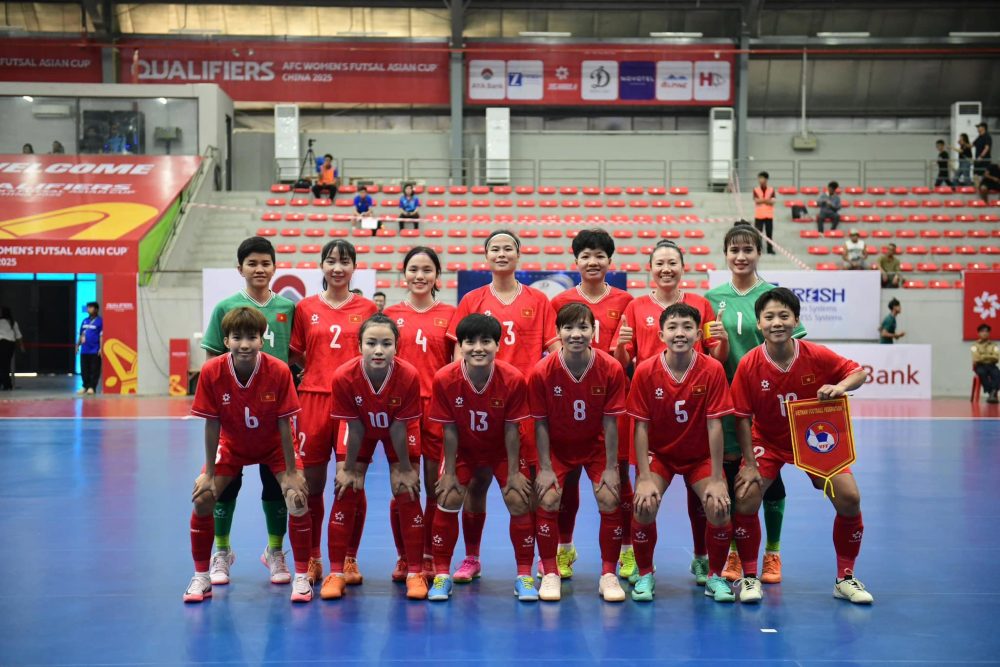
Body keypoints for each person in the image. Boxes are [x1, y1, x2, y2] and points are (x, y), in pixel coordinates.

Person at [730, 287, 872, 605]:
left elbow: (858, 372)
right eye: (769, 317)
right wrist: (750, 464)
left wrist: (840, 386)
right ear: (759, 324)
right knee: (745, 496)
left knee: (849, 497)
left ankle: (845, 578)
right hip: (767, 440)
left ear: (796, 320)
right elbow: (741, 418)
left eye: (784, 316)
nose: (777, 322)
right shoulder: (750, 364)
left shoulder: (816, 355)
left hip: (813, 440)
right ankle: (750, 577)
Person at [445, 229, 559, 584]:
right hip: (478, 407)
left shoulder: (539, 301)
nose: (502, 253)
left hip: (521, 408)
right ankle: (471, 557)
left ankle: (539, 562)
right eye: (495, 248)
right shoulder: (472, 300)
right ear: (486, 255)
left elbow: (553, 349)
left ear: (518, 255)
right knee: (475, 486)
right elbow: (456, 353)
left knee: (524, 488)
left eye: (508, 247)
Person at [612, 238, 727, 585]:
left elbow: (713, 359)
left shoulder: (701, 305)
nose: (666, 268)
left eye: (672, 262)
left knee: (704, 501)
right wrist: (619, 347)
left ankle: (703, 560)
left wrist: (721, 343)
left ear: (682, 267)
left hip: (692, 413)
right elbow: (623, 364)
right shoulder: (635, 307)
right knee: (643, 499)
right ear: (650, 269)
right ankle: (643, 567)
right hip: (653, 410)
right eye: (659, 263)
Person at [184, 307, 313, 604]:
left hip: (272, 444)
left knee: (297, 497)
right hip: (232, 444)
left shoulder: (278, 370)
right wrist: (209, 473)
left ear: (262, 340)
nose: (244, 344)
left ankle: (301, 575)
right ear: (226, 340)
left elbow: (285, 423)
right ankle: (203, 574)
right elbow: (212, 422)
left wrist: (292, 471)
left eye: (251, 337)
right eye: (237, 337)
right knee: (203, 497)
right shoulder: (212, 371)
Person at [704, 223, 806, 586]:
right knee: (735, 478)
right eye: (734, 250)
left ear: (758, 253)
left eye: (748, 249)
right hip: (726, 402)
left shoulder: (774, 297)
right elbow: (704, 353)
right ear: (726, 254)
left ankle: (773, 552)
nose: (741, 256)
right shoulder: (712, 297)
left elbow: (797, 347)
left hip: (767, 403)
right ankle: (735, 550)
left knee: (768, 475)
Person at [200, 236, 296, 588]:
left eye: (265, 263)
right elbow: (212, 358)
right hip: (233, 417)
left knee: (277, 485)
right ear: (239, 268)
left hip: (274, 415)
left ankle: (275, 551)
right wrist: (219, 402)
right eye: (252, 263)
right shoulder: (225, 307)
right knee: (226, 485)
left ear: (275, 267)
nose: (259, 269)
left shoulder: (288, 308)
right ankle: (222, 551)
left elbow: (295, 358)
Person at [627, 303, 736, 603]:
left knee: (718, 505)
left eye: (687, 327)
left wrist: (716, 478)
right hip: (660, 455)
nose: (680, 333)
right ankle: (646, 572)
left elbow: (715, 426)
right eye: (673, 327)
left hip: (699, 455)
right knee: (644, 503)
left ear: (699, 334)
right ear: (660, 334)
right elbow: (640, 428)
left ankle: (715, 575)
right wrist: (645, 477)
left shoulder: (712, 369)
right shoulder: (646, 370)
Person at [427, 314, 536, 602]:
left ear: (498, 345)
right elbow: (449, 430)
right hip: (463, 448)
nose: (478, 348)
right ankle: (443, 574)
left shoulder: (512, 378)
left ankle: (524, 575)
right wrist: (449, 472)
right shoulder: (445, 378)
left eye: (486, 341)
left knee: (518, 497)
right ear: (460, 346)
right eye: (470, 342)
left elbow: (513, 429)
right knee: (448, 497)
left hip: (501, 449)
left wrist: (514, 473)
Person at [288, 240, 378, 588]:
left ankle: (349, 557)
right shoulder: (306, 307)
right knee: (311, 484)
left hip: (354, 403)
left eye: (344, 262)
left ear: (354, 267)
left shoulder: (368, 308)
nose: (337, 268)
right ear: (321, 267)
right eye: (331, 261)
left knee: (351, 483)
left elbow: (376, 352)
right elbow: (296, 353)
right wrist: (317, 373)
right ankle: (312, 557)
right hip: (312, 400)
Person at [549, 229, 633, 580]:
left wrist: (618, 356)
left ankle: (627, 550)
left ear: (610, 261)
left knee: (618, 480)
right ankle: (564, 549)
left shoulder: (626, 301)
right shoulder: (560, 301)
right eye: (585, 255)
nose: (593, 261)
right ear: (576, 261)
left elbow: (627, 359)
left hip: (612, 403)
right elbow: (555, 352)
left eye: (600, 255)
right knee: (566, 482)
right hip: (569, 405)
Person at [529, 303, 629, 602]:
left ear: (593, 331)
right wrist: (545, 467)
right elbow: (541, 424)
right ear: (558, 332)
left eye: (583, 327)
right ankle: (549, 573)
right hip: (558, 446)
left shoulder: (610, 367)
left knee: (610, 495)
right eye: (569, 328)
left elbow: (612, 423)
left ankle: (609, 575)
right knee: (547, 496)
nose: (576, 334)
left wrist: (611, 467)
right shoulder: (542, 371)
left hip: (596, 445)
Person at [323, 314, 426, 600]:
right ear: (359, 346)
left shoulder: (408, 375)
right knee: (346, 488)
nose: (379, 350)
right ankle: (337, 571)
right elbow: (354, 427)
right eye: (371, 343)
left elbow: (399, 426)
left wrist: (404, 468)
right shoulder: (344, 376)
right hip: (360, 429)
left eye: (386, 343)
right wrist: (350, 469)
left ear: (397, 346)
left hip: (399, 426)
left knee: (406, 489)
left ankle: (415, 572)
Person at [383, 248, 457, 582]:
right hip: (403, 410)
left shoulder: (450, 314)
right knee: (404, 486)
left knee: (434, 485)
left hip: (439, 410)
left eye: (427, 270)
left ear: (437, 276)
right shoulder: (391, 315)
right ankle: (405, 556)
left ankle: (428, 555)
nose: (420, 276)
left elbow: (457, 366)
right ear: (404, 274)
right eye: (413, 269)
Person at [77, 302, 103, 395]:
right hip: (84, 350)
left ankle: (92, 387)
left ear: (96, 309)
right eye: (88, 307)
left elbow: (101, 336)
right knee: (84, 369)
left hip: (94, 350)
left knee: (94, 370)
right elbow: (81, 334)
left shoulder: (100, 321)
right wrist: (77, 345)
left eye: (91, 307)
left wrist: (101, 348)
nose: (88, 309)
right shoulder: (84, 321)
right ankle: (85, 386)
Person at [972, 324, 1000, 404]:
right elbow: (976, 358)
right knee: (982, 373)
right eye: (982, 331)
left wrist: (983, 356)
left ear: (989, 333)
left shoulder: (994, 345)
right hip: (980, 366)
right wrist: (989, 356)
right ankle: (992, 392)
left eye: (987, 331)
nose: (984, 333)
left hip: (992, 365)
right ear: (978, 333)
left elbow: (996, 358)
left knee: (997, 373)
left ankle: (992, 393)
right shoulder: (974, 346)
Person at [0, 306, 24, 391]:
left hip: (1, 343)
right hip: (10, 345)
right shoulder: (13, 322)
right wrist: (21, 346)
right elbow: (18, 336)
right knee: (6, 365)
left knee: (2, 365)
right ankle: (7, 384)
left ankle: (5, 383)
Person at [752, 171, 776, 254]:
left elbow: (772, 202)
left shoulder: (771, 190)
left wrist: (762, 200)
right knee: (758, 234)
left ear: (766, 179)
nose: (760, 180)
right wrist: (766, 200)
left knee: (769, 234)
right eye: (759, 178)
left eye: (762, 178)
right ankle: (758, 250)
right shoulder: (756, 189)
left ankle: (770, 249)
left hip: (769, 215)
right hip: (759, 215)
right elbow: (756, 201)